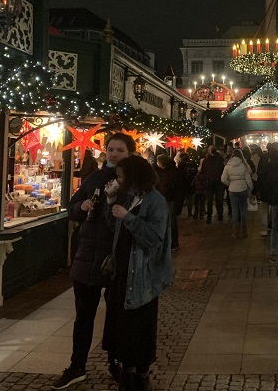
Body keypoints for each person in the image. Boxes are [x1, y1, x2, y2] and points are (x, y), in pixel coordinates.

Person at [52, 132, 135, 390]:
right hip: (87, 255)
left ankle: (115, 361)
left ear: (129, 154)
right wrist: (82, 207)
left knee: (115, 316)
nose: (113, 154)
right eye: (111, 149)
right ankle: (77, 365)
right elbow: (71, 207)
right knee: (83, 316)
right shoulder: (94, 178)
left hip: (114, 256)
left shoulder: (132, 182)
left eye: (120, 150)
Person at [103, 155, 172, 391]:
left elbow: (154, 239)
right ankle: (128, 373)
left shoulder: (155, 201)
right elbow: (113, 228)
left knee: (140, 328)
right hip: (122, 274)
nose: (118, 180)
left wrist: (128, 217)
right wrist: (111, 201)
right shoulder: (128, 197)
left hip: (142, 276)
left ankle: (141, 376)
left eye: (121, 176)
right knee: (122, 328)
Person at [221, 149, 254, 238]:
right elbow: (248, 180)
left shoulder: (228, 166)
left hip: (232, 190)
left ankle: (235, 232)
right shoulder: (244, 165)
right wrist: (251, 189)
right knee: (243, 210)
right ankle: (244, 232)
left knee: (235, 211)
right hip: (243, 189)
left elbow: (223, 179)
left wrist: (230, 184)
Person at [155, 154, 180, 251]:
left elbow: (169, 187)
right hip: (168, 199)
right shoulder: (168, 171)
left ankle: (173, 243)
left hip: (169, 199)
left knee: (170, 221)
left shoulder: (168, 172)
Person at [200, 146, 225, 223]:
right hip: (219, 182)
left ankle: (209, 217)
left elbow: (202, 171)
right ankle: (220, 215)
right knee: (219, 199)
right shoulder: (220, 160)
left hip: (209, 182)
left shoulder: (206, 161)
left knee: (209, 200)